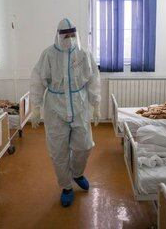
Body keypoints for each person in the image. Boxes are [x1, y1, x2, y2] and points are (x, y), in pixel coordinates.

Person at [30, 18, 101, 207]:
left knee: (85, 146)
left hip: (79, 106)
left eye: (72, 34)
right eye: (65, 35)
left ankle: (77, 174)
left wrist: (96, 104)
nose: (69, 38)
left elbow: (93, 78)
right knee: (58, 152)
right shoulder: (48, 55)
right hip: (55, 108)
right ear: (58, 35)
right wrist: (35, 107)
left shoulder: (83, 54)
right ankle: (67, 186)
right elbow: (37, 80)